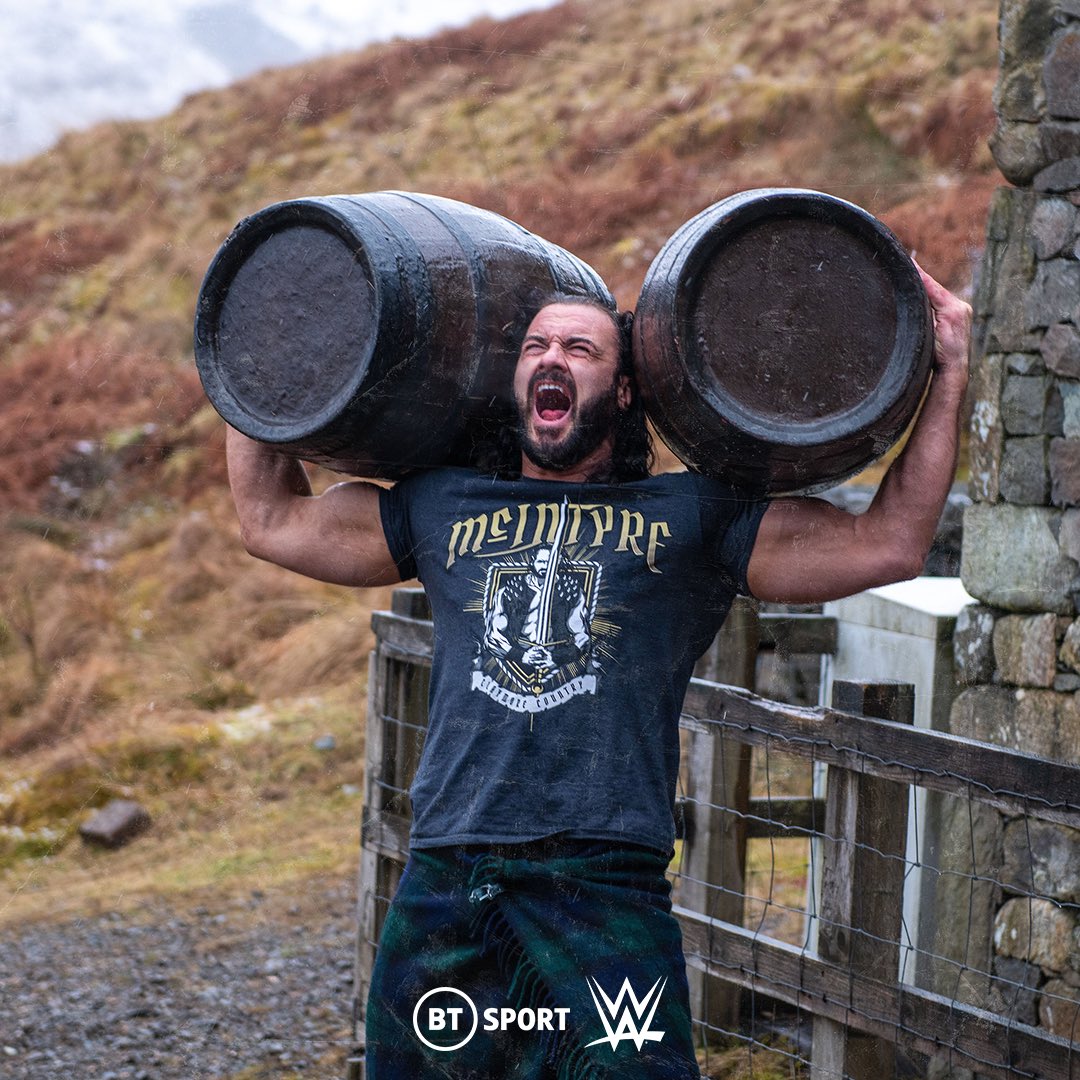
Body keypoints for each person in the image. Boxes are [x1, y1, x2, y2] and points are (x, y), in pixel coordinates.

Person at [225, 265, 970, 1077]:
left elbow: (890, 542)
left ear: (621, 393)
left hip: (602, 885)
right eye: (536, 346)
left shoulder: (693, 516)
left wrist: (950, 372)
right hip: (450, 877)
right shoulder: (441, 504)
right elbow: (270, 520)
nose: (552, 357)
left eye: (580, 348)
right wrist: (260, 352)